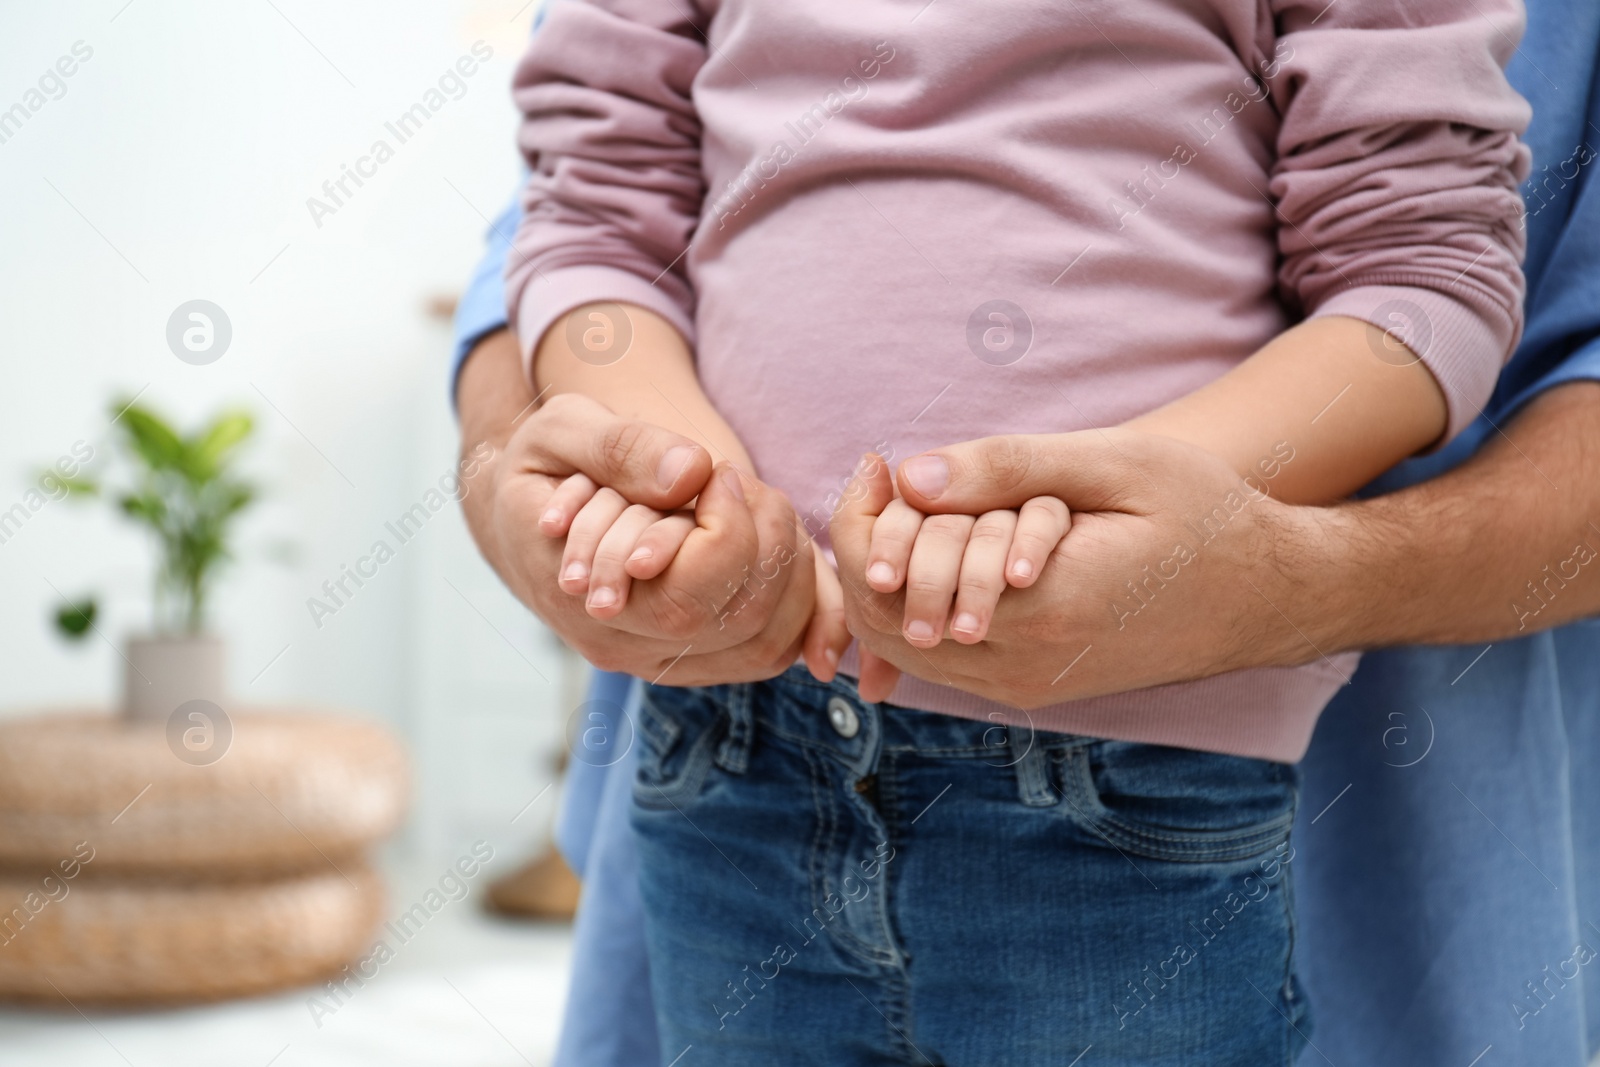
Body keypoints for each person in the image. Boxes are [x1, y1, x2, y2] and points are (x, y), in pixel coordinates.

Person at [454, 6, 1600, 1067]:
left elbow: (1419, 273)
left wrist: (1113, 510)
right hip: (726, 746)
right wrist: (681, 493)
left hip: (1128, 771)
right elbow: (589, 212)